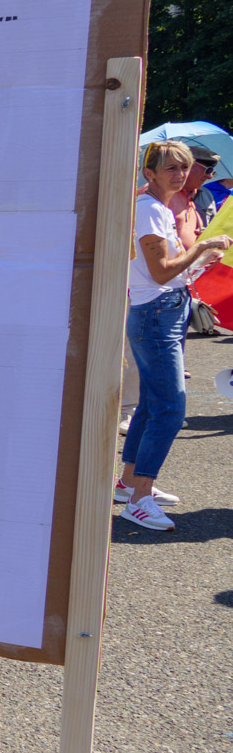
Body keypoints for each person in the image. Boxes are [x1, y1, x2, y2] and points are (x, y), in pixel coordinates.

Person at [117, 141, 233, 530]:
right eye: (171, 168)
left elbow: (166, 273)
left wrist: (200, 259)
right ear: (150, 173)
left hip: (160, 311)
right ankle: (139, 498)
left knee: (152, 405)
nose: (181, 174)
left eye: (184, 167)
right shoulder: (149, 210)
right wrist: (202, 247)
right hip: (156, 315)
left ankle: (130, 484)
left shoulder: (155, 207)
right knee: (170, 410)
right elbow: (162, 272)